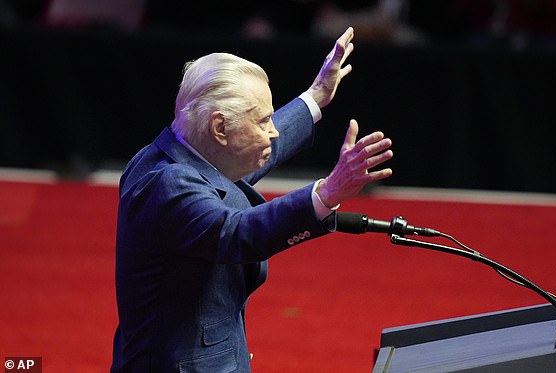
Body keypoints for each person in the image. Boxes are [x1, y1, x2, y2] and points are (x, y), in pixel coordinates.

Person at [111, 26, 394, 372]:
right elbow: (239, 234)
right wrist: (328, 192)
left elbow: (262, 152)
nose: (272, 131)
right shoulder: (169, 185)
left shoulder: (184, 153)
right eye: (262, 121)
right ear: (220, 128)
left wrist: (316, 96)